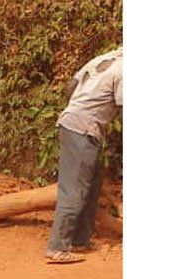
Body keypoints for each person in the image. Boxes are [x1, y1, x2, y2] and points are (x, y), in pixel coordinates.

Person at [45, 47, 123, 264]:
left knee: (93, 182)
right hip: (83, 129)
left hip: (76, 124)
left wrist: (78, 107)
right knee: (75, 188)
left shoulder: (105, 58)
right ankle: (57, 247)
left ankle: (80, 239)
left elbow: (71, 85)